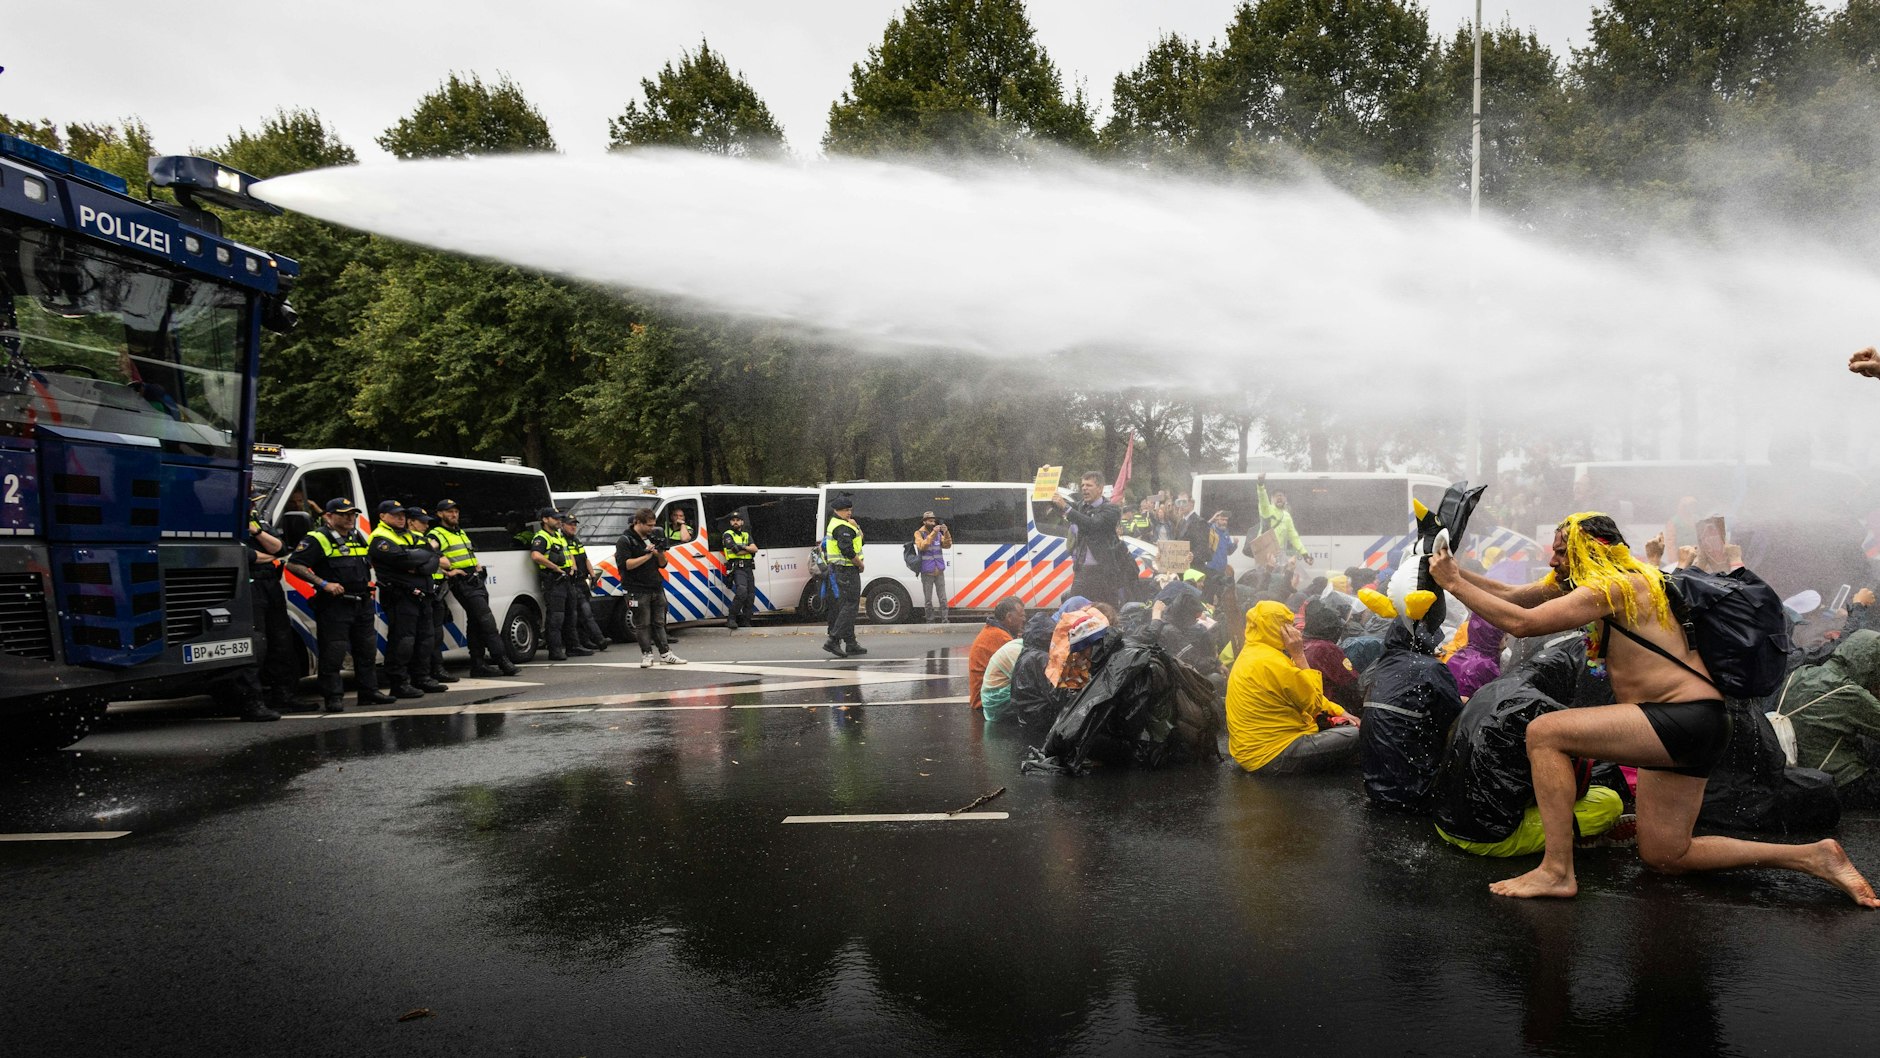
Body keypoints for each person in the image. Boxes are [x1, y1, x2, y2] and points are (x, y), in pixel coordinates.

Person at [1429, 511, 1878, 905]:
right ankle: (1814, 856)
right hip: (1700, 722)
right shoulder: (1629, 578)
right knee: (1667, 855)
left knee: (1545, 733)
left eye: (1562, 552)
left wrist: (1452, 583)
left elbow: (1521, 623)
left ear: (1592, 550)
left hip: (1682, 718)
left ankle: (1557, 871)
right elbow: (1517, 596)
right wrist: (1452, 574)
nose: (1553, 561)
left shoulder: (1615, 587)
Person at [283, 498, 394, 713]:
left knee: (366, 651)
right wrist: (323, 584)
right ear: (328, 516)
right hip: (335, 605)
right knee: (333, 653)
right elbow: (294, 564)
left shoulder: (356, 536)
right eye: (343, 514)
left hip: (361, 602)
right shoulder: (317, 538)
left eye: (352, 514)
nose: (349, 517)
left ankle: (369, 692)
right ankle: (333, 697)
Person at [1226, 600, 1358, 774]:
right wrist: (1299, 655)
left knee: (1342, 724)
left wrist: (1340, 712)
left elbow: (1302, 693)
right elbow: (1314, 703)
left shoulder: (1253, 653)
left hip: (1249, 752)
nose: (1296, 631)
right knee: (1355, 735)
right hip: (1273, 754)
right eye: (1288, 624)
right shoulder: (1273, 663)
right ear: (1276, 628)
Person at [428, 499, 519, 677]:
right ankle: (502, 661)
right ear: (439, 514)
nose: (454, 515)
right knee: (487, 622)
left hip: (474, 580)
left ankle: (478, 665)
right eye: (449, 512)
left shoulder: (459, 532)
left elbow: (468, 553)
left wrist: (477, 566)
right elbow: (429, 556)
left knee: (476, 623)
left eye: (456, 511)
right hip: (463, 583)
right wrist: (449, 572)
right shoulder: (436, 534)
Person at [368, 501, 445, 697]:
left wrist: (419, 564)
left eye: (402, 514)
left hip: (423, 595)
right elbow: (405, 560)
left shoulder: (410, 535)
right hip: (400, 595)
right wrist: (421, 559)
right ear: (383, 516)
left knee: (426, 639)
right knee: (404, 641)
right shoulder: (380, 538)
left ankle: (422, 678)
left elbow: (433, 559)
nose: (401, 518)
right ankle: (399, 683)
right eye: (395, 515)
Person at [615, 507, 686, 668]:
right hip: (636, 588)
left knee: (659, 622)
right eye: (648, 525)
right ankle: (646, 654)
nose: (651, 528)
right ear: (637, 522)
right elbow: (626, 565)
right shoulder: (625, 540)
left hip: (655, 585)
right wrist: (646, 555)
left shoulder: (653, 537)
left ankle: (666, 653)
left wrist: (658, 552)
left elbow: (663, 564)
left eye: (653, 525)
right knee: (642, 623)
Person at [244, 499, 294, 716]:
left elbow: (280, 549)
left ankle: (283, 696)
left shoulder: (257, 522)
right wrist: (266, 555)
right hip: (249, 587)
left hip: (270, 585)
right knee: (257, 645)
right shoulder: (228, 523)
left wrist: (255, 532)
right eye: (250, 503)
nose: (254, 506)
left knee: (281, 642)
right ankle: (253, 703)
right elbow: (247, 556)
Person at [405, 507, 459, 685]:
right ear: (411, 522)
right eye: (422, 522)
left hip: (435, 590)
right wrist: (430, 556)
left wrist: (428, 558)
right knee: (420, 635)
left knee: (434, 634)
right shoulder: (407, 540)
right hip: (416, 592)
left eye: (427, 522)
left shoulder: (424, 540)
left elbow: (445, 561)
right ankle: (425, 672)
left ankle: (435, 669)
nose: (426, 525)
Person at [1055, 471, 1122, 606]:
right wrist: (1047, 486)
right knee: (1075, 609)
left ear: (1100, 488)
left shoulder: (1111, 509)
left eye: (1089, 485)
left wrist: (1067, 508)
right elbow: (1059, 506)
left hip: (1103, 572)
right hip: (1083, 570)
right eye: (1083, 485)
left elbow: (1093, 524)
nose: (1084, 488)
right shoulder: (1081, 506)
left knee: (1105, 612)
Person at [529, 508, 582, 662]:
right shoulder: (542, 537)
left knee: (571, 615)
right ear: (545, 520)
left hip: (566, 579)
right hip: (554, 580)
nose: (559, 521)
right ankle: (555, 650)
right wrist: (555, 567)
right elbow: (536, 555)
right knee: (556, 618)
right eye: (555, 518)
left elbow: (568, 552)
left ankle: (573, 647)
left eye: (560, 518)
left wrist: (573, 567)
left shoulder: (558, 535)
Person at [822, 494, 867, 659]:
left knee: (847, 605)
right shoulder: (841, 527)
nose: (849, 512)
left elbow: (860, 542)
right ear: (837, 510)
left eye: (850, 509)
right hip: (846, 570)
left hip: (842, 570)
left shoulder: (844, 524)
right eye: (845, 510)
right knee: (850, 605)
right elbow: (847, 551)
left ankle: (851, 643)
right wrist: (859, 564)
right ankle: (833, 640)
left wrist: (857, 526)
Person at [1300, 598, 1362, 711]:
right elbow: (1349, 679)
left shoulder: (1300, 642)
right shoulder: (1326, 649)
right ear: (1334, 630)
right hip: (1328, 708)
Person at [561, 512, 610, 652]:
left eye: (574, 524)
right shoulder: (562, 540)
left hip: (582, 580)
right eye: (570, 524)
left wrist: (593, 575)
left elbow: (585, 558)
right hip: (573, 581)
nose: (573, 527)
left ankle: (586, 640)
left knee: (584, 613)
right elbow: (571, 560)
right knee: (584, 612)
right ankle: (599, 639)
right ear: (563, 525)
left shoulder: (576, 540)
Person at [968, 596, 1026, 710]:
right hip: (986, 703)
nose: (1024, 620)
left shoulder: (994, 632)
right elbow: (1022, 672)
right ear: (1009, 617)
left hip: (985, 698)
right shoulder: (1001, 638)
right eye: (1021, 616)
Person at [1446, 612, 1507, 700]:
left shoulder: (1457, 656)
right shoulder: (1487, 666)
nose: (1505, 645)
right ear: (1492, 637)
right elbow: (1491, 700)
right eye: (1504, 637)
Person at [1255, 474, 1311, 566]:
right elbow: (1262, 499)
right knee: (1265, 580)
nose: (1279, 497)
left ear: (1285, 499)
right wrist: (1260, 486)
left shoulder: (1286, 516)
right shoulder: (1267, 510)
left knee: (1279, 579)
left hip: (1279, 555)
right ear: (1272, 499)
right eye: (1276, 496)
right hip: (1265, 554)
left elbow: (1294, 536)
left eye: (1281, 496)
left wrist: (1305, 554)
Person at [721, 509, 759, 629]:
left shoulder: (746, 534)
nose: (735, 522)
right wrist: (747, 548)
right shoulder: (727, 534)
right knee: (741, 592)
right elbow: (735, 551)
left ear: (742, 522)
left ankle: (746, 620)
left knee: (750, 595)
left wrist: (742, 547)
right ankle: (731, 618)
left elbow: (755, 549)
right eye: (733, 520)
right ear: (730, 523)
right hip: (737, 568)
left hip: (748, 567)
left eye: (738, 520)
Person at [913, 511, 954, 623]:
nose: (933, 523)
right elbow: (922, 546)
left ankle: (945, 619)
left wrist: (946, 533)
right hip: (927, 571)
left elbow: (947, 545)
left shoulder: (938, 534)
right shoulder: (919, 533)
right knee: (928, 599)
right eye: (930, 521)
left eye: (934, 521)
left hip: (939, 570)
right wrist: (933, 534)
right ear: (924, 521)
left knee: (943, 598)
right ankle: (930, 620)